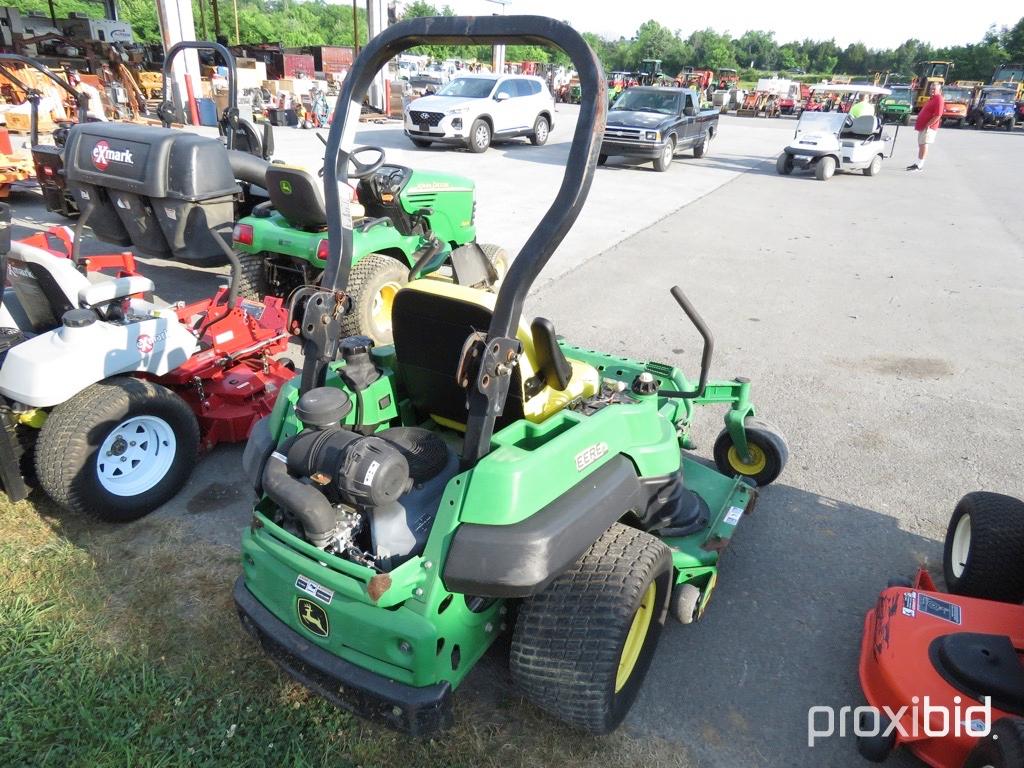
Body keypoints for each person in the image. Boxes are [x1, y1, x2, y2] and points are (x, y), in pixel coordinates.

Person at [907, 82, 943, 171]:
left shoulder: (939, 99)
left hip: (928, 127)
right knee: (921, 144)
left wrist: (928, 125)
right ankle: (918, 163)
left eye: (934, 89)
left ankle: (920, 165)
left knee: (924, 145)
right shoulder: (932, 98)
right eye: (931, 88)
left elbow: (938, 115)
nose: (932, 90)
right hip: (923, 126)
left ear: (939, 90)